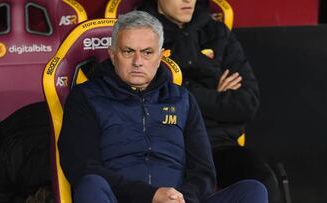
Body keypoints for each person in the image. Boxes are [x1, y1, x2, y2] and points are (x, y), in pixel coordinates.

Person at [58, 10, 267, 203]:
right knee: (91, 184)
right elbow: (83, 168)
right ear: (113, 55)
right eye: (128, 51)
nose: (138, 61)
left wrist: (181, 198)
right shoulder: (87, 97)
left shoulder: (181, 99)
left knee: (253, 190)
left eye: (147, 52)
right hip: (121, 198)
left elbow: (203, 171)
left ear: (160, 57)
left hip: (178, 200)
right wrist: (151, 196)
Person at [139, 0, 281, 202]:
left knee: (262, 180)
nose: (188, 0)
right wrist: (216, 94)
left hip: (218, 146)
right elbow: (155, 100)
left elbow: (247, 102)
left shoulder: (217, 31)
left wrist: (185, 92)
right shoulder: (141, 34)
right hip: (167, 146)